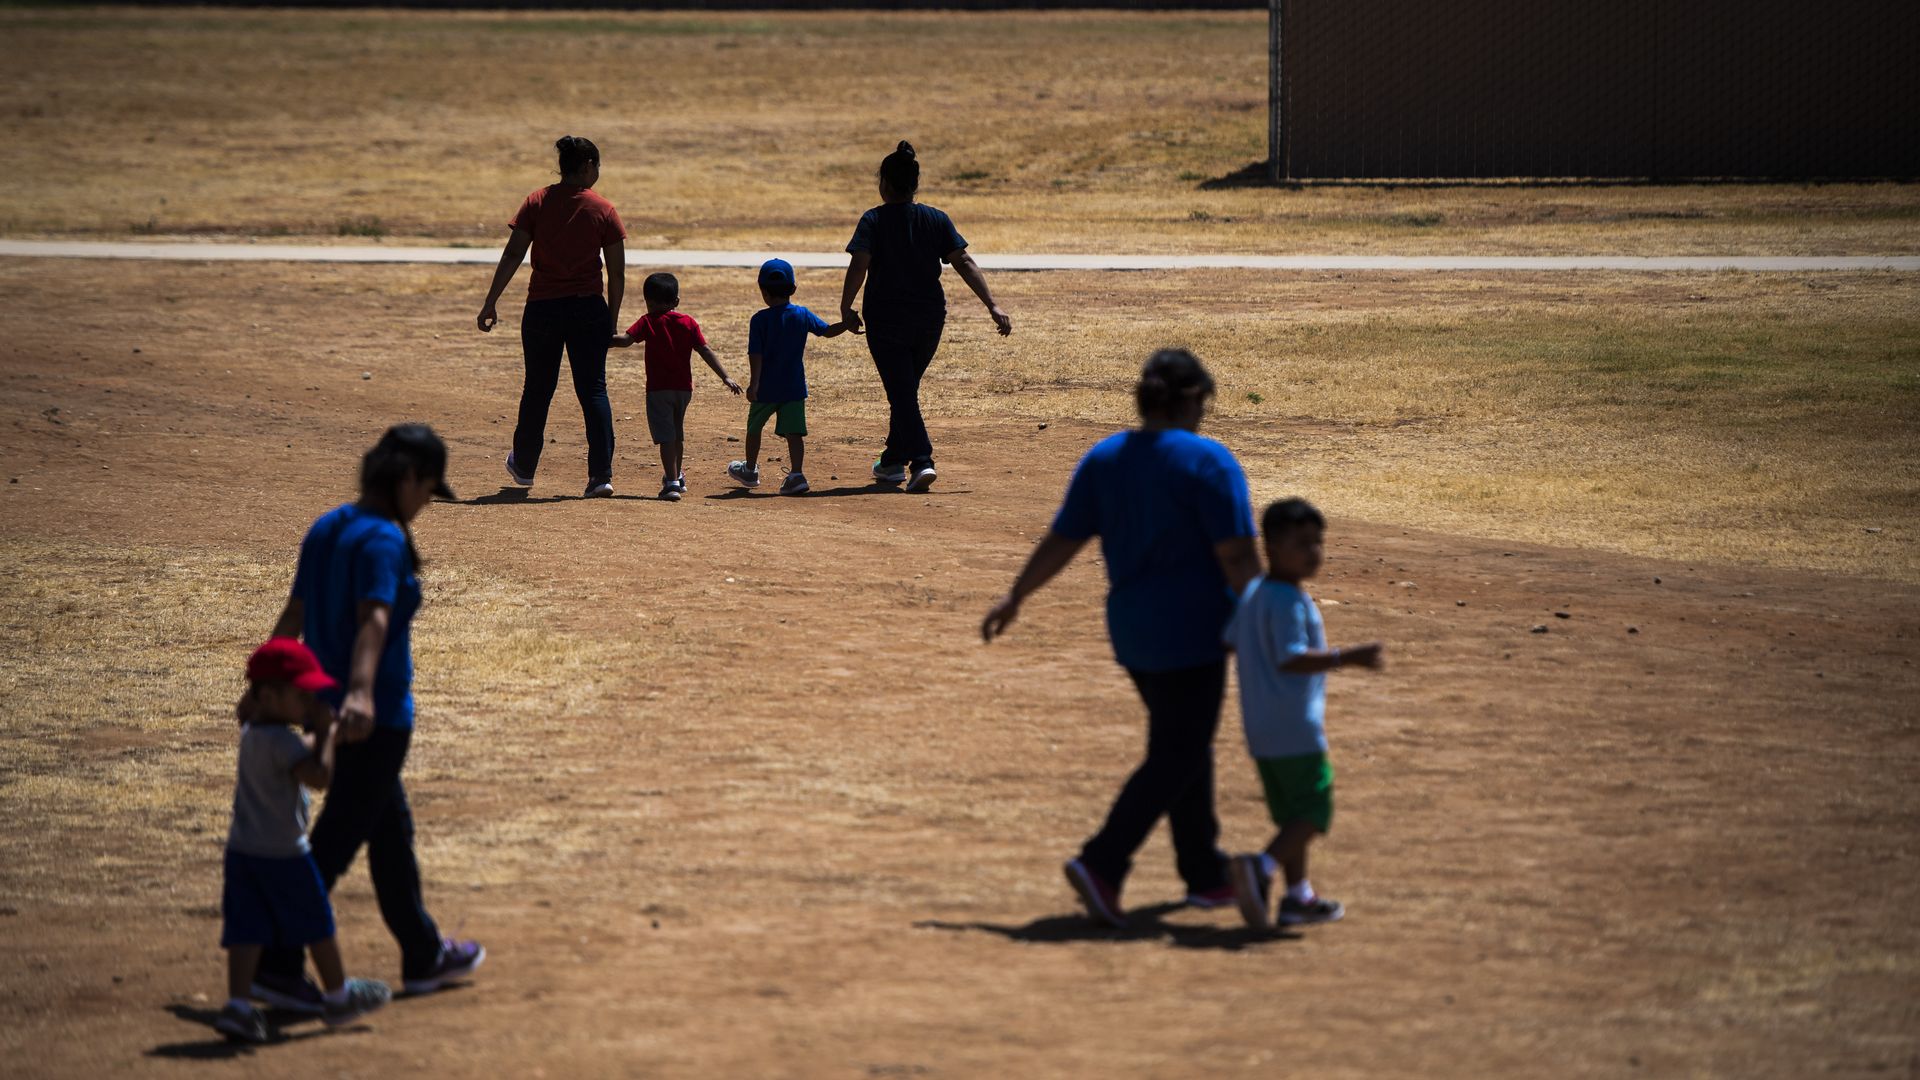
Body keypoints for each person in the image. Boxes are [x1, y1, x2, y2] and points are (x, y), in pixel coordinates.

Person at [982, 349, 1263, 928]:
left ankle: (1205, 875)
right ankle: (1103, 862)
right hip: (1196, 630)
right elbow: (1236, 555)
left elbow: (1064, 540)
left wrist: (1017, 595)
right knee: (1179, 750)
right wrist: (1266, 617)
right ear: (1188, 399)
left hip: (1134, 633)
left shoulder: (1106, 458)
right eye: (1203, 403)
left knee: (1182, 740)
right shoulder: (1210, 462)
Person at [250, 424, 485, 1013]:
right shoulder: (383, 539)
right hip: (373, 718)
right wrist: (360, 695)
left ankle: (423, 953)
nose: (427, 503)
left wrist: (265, 684)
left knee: (390, 833)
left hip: (329, 710)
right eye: (429, 490)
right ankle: (277, 966)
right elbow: (374, 619)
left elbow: (295, 612)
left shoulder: (329, 525)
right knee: (336, 841)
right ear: (407, 478)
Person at [216, 638, 392, 1044]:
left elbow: (291, 751)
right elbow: (319, 777)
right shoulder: (283, 741)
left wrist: (322, 735)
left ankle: (238, 1007)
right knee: (317, 925)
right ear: (269, 695)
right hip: (286, 856)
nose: (310, 700)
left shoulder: (255, 732)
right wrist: (329, 735)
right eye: (301, 694)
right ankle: (337, 997)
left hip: (243, 852)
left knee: (246, 929)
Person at [1223, 498, 1383, 930]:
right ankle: (1260, 868)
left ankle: (1298, 898)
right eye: (1301, 544)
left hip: (1260, 729)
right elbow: (1290, 657)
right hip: (1294, 728)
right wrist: (1345, 657)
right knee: (1314, 810)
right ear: (1272, 547)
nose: (1313, 552)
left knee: (1291, 816)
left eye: (1318, 542)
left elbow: (1231, 640)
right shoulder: (1286, 600)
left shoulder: (1255, 594)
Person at [840, 141, 1011, 494]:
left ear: (884, 182)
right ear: (914, 184)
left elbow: (860, 264)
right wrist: (992, 304)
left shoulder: (873, 220)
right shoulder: (935, 219)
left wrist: (846, 306)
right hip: (929, 319)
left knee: (902, 391)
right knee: (905, 389)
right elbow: (963, 261)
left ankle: (921, 461)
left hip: (886, 319)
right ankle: (891, 461)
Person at [477, 135, 627, 498]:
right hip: (587, 307)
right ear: (588, 166)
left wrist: (490, 301)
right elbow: (617, 273)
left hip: (543, 308)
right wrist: (611, 320)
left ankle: (525, 467)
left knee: (537, 388)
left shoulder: (537, 201)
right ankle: (600, 476)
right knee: (593, 389)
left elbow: (513, 254)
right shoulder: (602, 209)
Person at [610, 271, 742, 501]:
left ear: (647, 300)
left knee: (665, 437)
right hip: (683, 389)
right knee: (677, 433)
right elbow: (705, 350)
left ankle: (670, 482)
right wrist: (726, 376)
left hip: (658, 389)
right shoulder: (688, 322)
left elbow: (625, 341)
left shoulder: (648, 321)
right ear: (676, 302)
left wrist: (600, 339)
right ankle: (677, 476)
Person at [727, 258, 854, 497]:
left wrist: (754, 384)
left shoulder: (759, 320)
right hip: (794, 388)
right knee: (794, 433)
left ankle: (751, 470)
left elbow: (756, 353)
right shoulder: (802, 315)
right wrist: (846, 324)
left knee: (754, 428)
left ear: (763, 292)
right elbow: (827, 331)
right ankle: (796, 474)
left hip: (766, 388)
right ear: (793, 289)